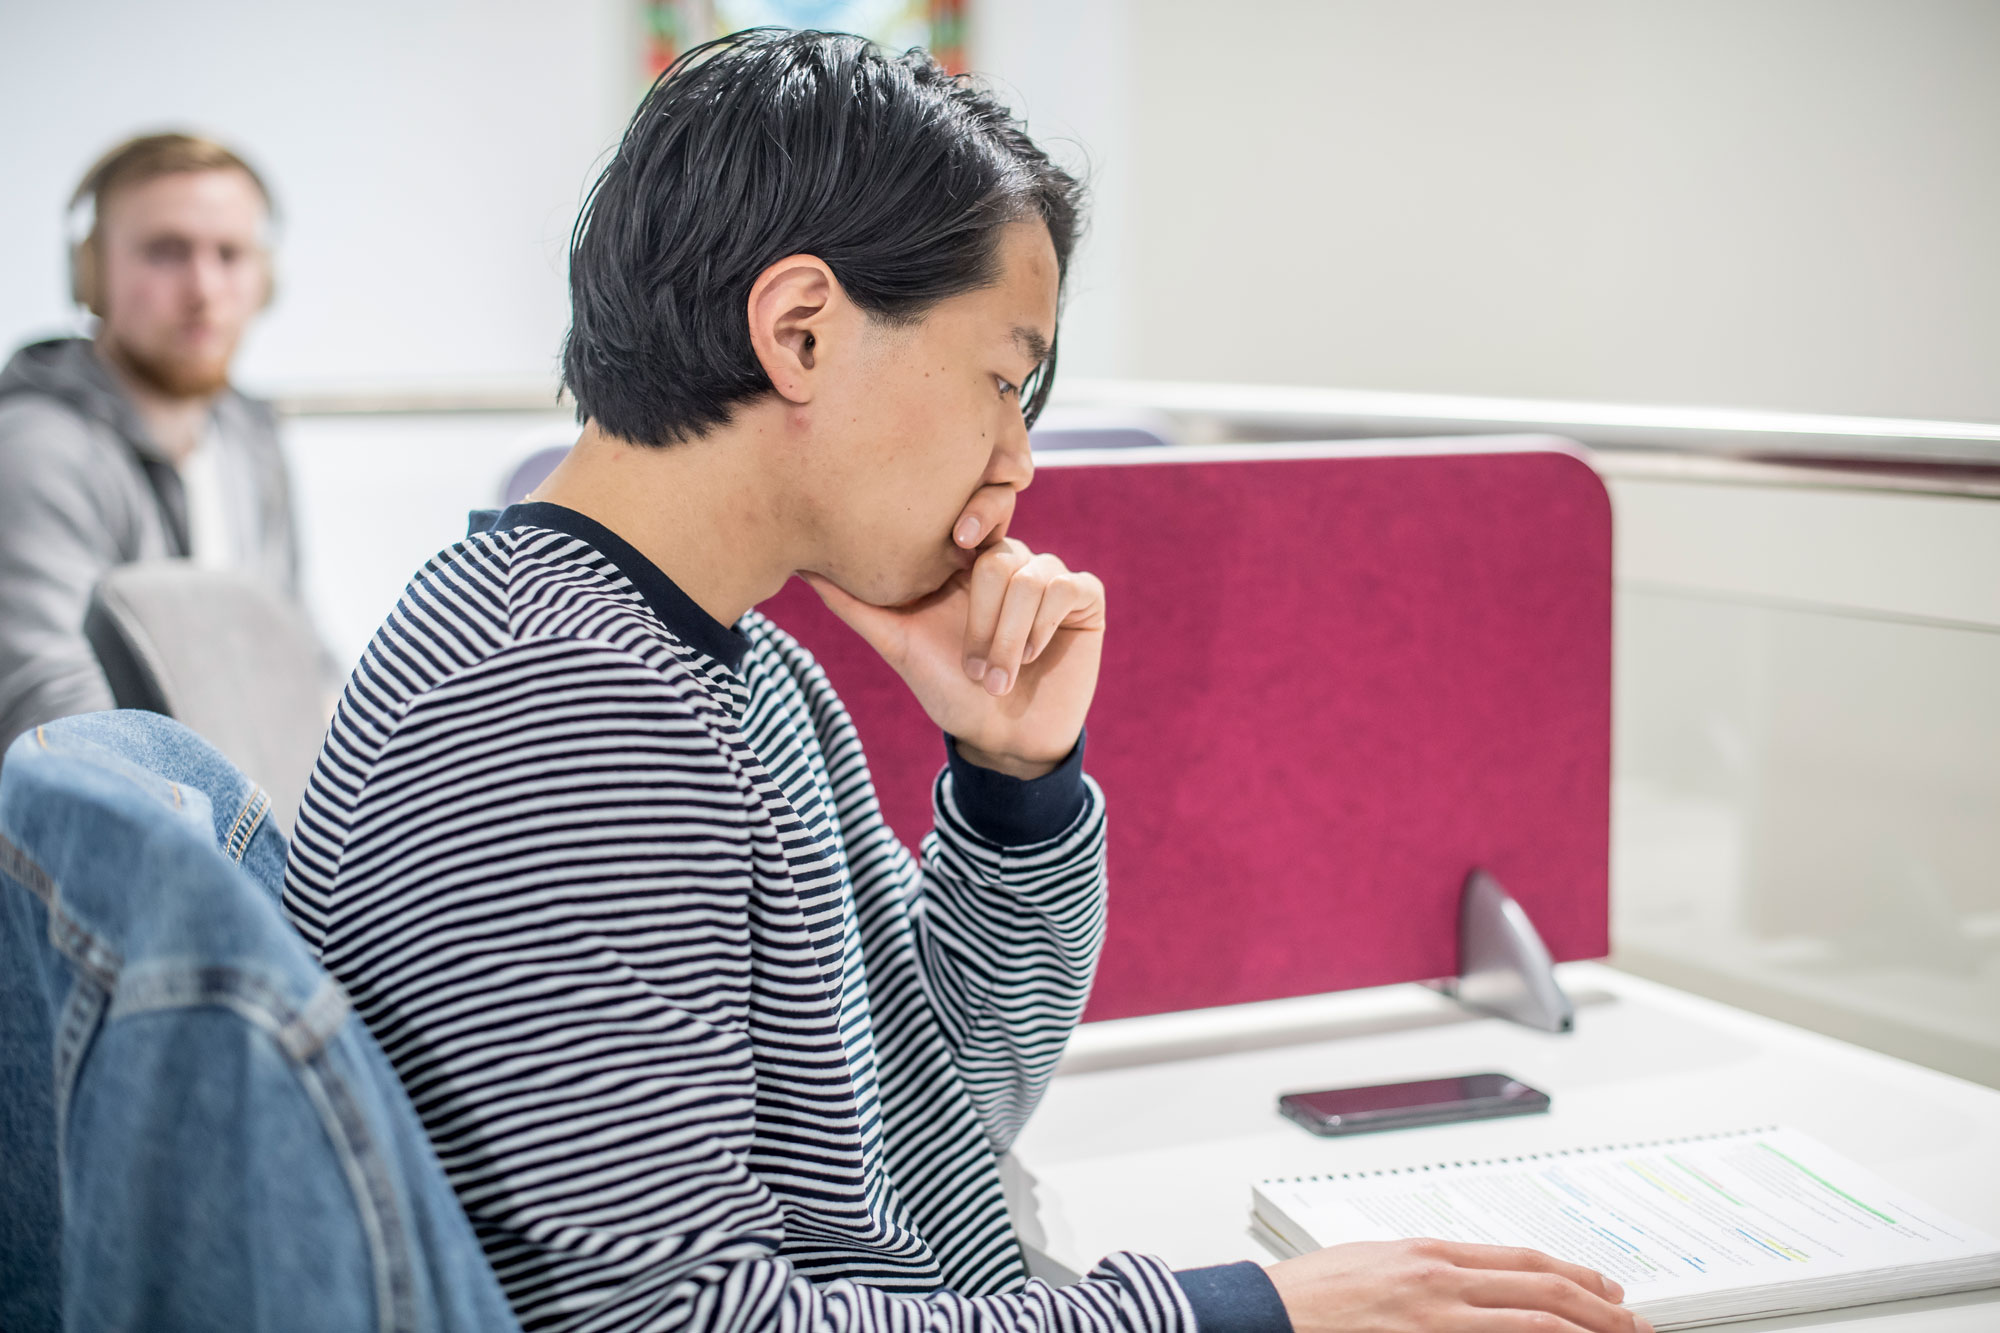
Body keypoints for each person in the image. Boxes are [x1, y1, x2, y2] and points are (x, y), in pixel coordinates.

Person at [282, 29, 1649, 1333]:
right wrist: (1244, 1313)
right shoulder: (563, 709)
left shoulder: (722, 665)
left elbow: (942, 1108)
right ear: (803, 330)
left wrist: (1013, 786)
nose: (1022, 457)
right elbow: (669, 1317)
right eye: (1005, 379)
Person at [0, 133, 305, 753]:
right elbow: (63, 730)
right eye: (166, 252)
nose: (204, 289)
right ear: (92, 272)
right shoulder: (38, 449)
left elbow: (299, 656)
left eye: (230, 254)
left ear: (264, 278)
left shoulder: (251, 437)